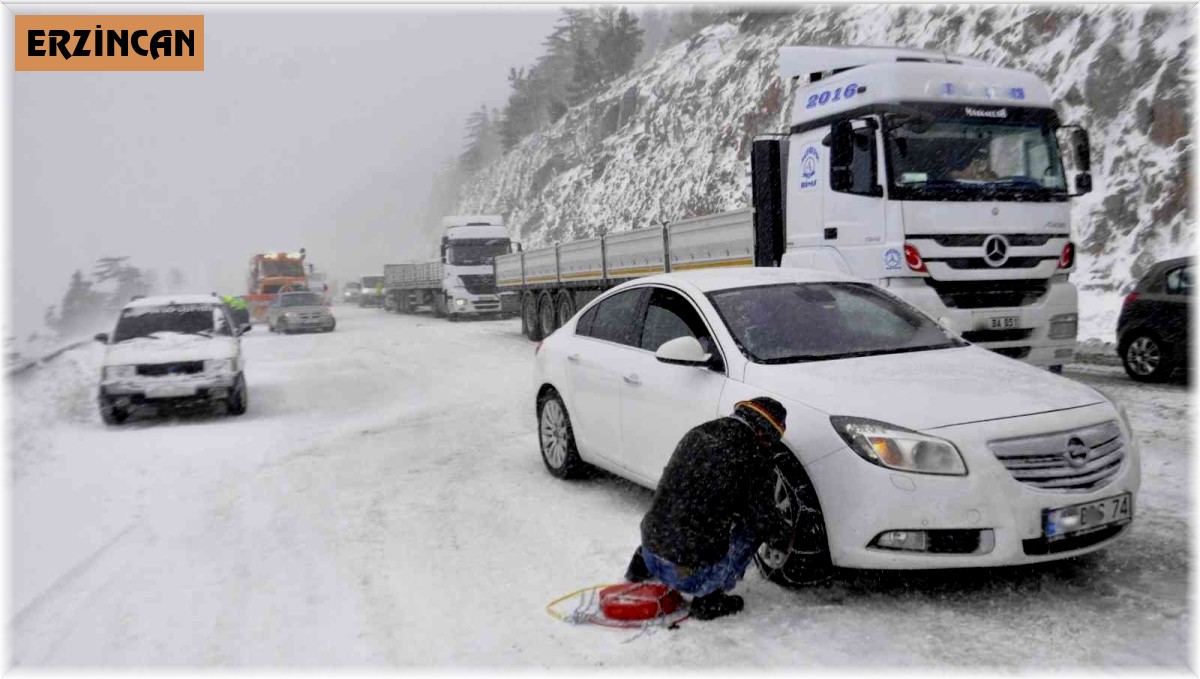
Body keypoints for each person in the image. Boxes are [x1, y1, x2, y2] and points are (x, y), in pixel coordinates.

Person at [624, 397, 793, 621]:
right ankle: (708, 598)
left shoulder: (698, 434)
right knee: (752, 527)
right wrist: (787, 537)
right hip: (689, 575)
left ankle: (641, 566)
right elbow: (764, 520)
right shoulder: (753, 456)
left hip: (650, 551)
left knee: (680, 502)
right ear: (764, 434)